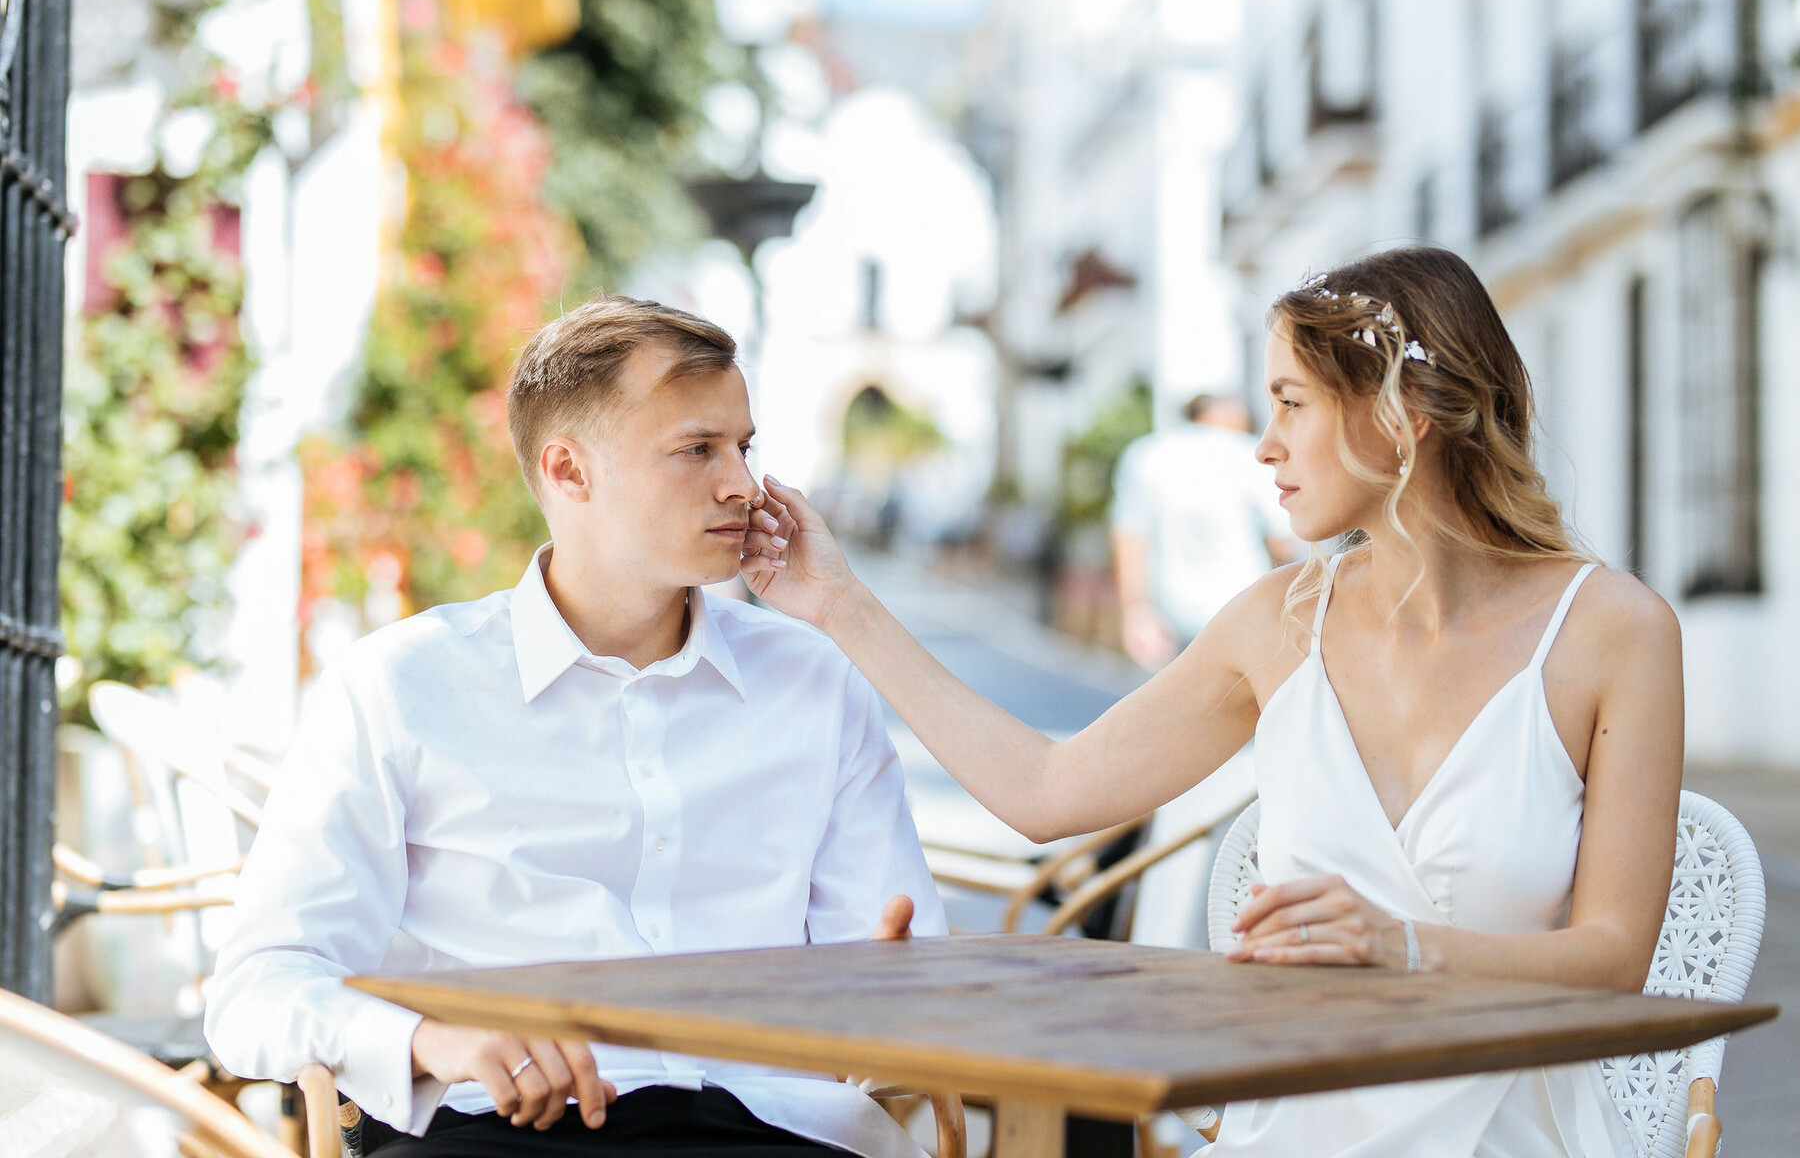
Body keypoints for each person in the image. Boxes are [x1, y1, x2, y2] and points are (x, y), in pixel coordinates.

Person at [741, 246, 1679, 1157]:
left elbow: (1614, 959)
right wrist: (842, 608)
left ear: (1398, 416)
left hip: (1512, 1131)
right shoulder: (1277, 625)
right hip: (1297, 1127)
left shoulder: (1612, 632)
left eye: (1290, 404)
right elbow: (1046, 790)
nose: (1263, 447)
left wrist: (1405, 946)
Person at [204, 295, 946, 1158]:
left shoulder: (815, 680)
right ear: (567, 471)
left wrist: (885, 985)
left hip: (768, 1128)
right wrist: (429, 1041)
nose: (742, 484)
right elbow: (257, 986)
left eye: (743, 447)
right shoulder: (400, 686)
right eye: (696, 449)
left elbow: (904, 981)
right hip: (497, 1130)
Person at [1111, 393, 1293, 670]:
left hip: (1169, 611)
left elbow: (1130, 538)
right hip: (1241, 608)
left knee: (1170, 705)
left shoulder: (1147, 454)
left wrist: (1135, 609)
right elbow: (1282, 543)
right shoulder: (1251, 456)